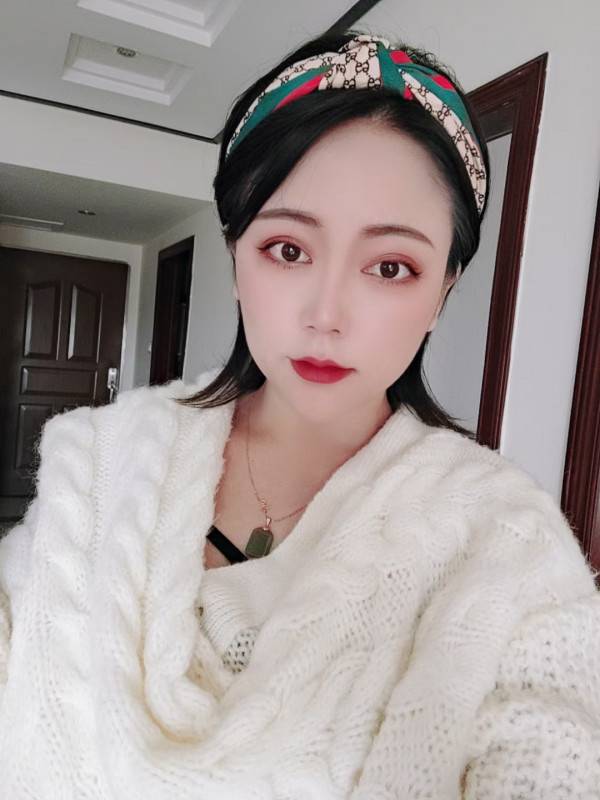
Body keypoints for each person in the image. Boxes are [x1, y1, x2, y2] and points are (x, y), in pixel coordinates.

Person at [0, 31, 599, 800]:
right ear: (236, 255)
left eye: (391, 267)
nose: (326, 314)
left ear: (442, 290)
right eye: (288, 250)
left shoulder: (504, 539)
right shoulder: (104, 458)